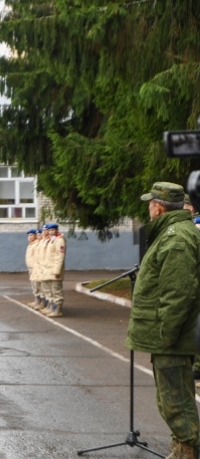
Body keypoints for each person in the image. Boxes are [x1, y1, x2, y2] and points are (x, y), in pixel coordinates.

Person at [127, 182, 200, 458]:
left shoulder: (175, 239)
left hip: (172, 337)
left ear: (158, 208)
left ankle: (186, 451)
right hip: (170, 335)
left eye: (150, 203)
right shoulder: (173, 233)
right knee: (172, 396)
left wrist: (166, 335)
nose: (148, 207)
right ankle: (184, 446)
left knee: (175, 399)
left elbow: (178, 294)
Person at [39, 223, 66, 318]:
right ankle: (51, 307)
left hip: (54, 270)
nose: (51, 232)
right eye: (49, 230)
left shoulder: (59, 241)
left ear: (57, 230)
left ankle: (58, 310)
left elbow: (60, 257)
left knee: (56, 290)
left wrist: (57, 270)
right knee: (49, 290)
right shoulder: (51, 241)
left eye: (53, 230)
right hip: (48, 270)